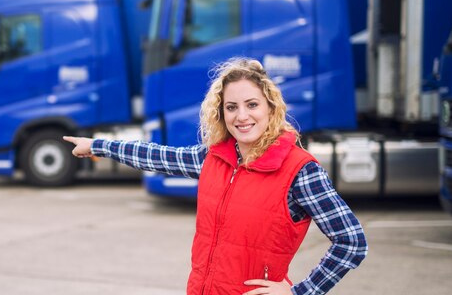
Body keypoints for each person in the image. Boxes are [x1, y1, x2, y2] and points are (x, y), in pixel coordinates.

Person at [63, 57, 367, 295]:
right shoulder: (213, 158)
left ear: (271, 108)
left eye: (252, 105)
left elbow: (351, 241)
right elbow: (157, 155)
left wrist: (302, 291)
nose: (242, 116)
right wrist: (99, 146)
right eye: (231, 107)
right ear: (221, 114)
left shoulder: (300, 171)